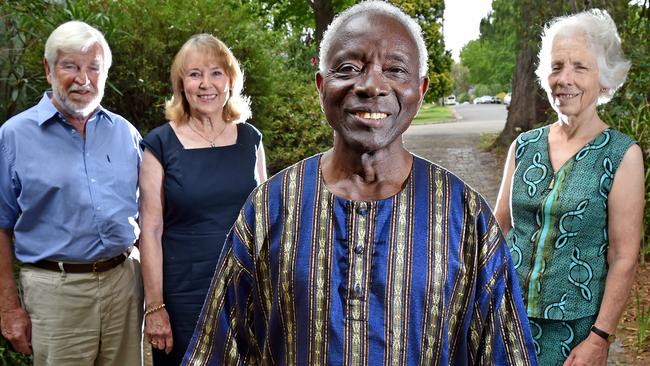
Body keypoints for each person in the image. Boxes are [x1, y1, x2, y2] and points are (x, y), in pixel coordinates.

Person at [182, 2, 536, 365]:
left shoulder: (464, 216)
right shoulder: (271, 206)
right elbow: (218, 350)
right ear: (322, 86)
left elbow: (506, 353)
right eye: (349, 68)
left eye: (395, 70)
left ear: (420, 89)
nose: (371, 85)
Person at [494, 9, 644, 366]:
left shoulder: (622, 155)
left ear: (605, 79)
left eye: (580, 67)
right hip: (506, 319)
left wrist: (600, 337)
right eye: (557, 66)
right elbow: (499, 226)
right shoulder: (524, 146)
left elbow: (623, 257)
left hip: (573, 334)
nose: (565, 79)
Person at [0, 21, 143, 365]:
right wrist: (9, 308)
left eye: (94, 67)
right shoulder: (14, 137)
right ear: (49, 69)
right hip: (56, 292)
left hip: (125, 285)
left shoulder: (125, 133)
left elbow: (150, 217)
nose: (84, 79)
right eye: (71, 66)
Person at [139, 33, 267, 365]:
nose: (205, 84)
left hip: (245, 289)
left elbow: (265, 221)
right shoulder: (160, 144)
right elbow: (150, 230)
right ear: (181, 84)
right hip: (183, 296)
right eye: (195, 74)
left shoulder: (251, 139)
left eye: (216, 72)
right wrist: (155, 306)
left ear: (231, 80)